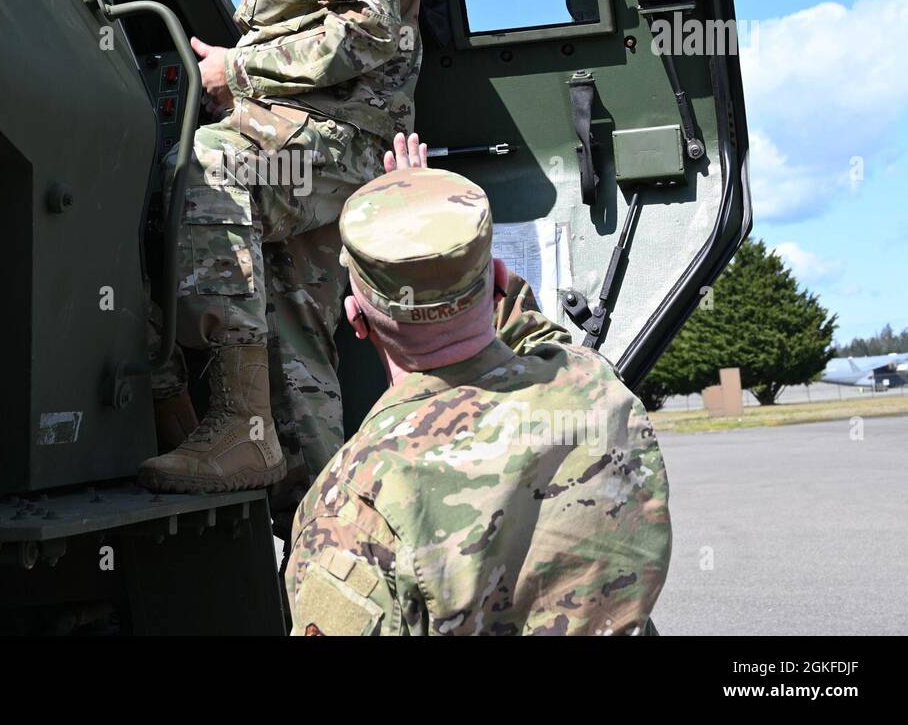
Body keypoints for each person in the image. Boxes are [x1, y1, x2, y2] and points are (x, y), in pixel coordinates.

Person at [139, 0, 421, 499]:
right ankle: (330, 536)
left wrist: (241, 71)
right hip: (297, 139)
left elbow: (368, 34)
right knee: (296, 348)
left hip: (344, 138)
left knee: (207, 166)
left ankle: (237, 424)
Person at [283, 144, 673, 635]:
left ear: (356, 320)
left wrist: (415, 234)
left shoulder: (351, 503)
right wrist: (434, 230)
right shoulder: (593, 387)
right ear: (500, 282)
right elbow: (534, 333)